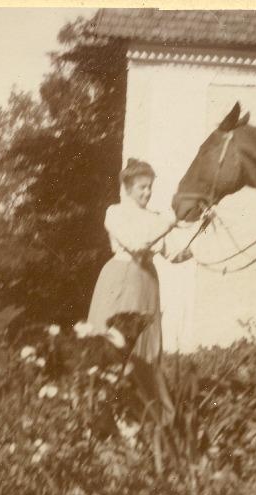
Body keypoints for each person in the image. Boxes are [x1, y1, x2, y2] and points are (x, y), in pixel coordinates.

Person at [87, 158, 177, 430]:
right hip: (121, 280)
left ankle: (144, 417)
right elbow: (137, 245)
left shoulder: (154, 218)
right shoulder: (115, 213)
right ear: (127, 187)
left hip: (148, 283)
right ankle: (105, 416)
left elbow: (170, 252)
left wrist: (201, 237)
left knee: (146, 350)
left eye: (150, 187)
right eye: (142, 187)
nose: (147, 193)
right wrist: (170, 221)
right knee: (115, 346)